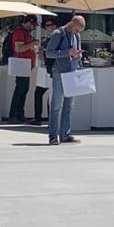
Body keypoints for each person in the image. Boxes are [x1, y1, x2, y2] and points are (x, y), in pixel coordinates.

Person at [44, 14, 85, 145]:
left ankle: (65, 134)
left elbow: (75, 54)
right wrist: (67, 52)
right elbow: (49, 53)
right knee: (56, 105)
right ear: (72, 24)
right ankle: (53, 135)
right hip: (59, 72)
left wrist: (77, 55)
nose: (77, 33)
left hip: (71, 71)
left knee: (69, 104)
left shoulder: (76, 36)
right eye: (77, 29)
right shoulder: (57, 33)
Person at [6, 16, 35, 124]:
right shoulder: (19, 32)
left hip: (26, 65)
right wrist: (33, 43)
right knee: (20, 89)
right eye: (32, 25)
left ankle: (19, 114)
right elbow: (19, 48)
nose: (33, 27)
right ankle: (13, 114)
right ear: (28, 23)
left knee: (23, 89)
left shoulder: (25, 33)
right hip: (21, 64)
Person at [34, 18, 57, 125]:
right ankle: (41, 118)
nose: (47, 28)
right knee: (41, 93)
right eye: (46, 26)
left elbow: (47, 53)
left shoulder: (56, 38)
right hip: (48, 69)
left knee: (50, 97)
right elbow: (42, 54)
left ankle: (48, 120)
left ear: (55, 26)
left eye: (49, 25)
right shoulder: (49, 38)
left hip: (53, 69)